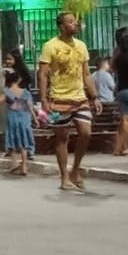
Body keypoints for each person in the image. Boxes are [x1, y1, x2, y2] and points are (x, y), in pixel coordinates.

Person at [38, 12, 102, 191]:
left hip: (80, 98)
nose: (75, 24)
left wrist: (95, 96)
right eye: (71, 22)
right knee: (62, 137)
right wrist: (43, 99)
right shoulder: (50, 46)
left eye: (75, 21)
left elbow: (86, 74)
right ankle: (64, 177)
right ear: (62, 26)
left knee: (86, 133)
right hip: (59, 98)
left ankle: (75, 170)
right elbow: (43, 74)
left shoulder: (81, 46)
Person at [0, 70, 37, 176]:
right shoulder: (26, 92)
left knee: (12, 139)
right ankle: (24, 166)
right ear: (18, 80)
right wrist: (35, 118)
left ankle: (14, 164)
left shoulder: (7, 92)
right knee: (24, 141)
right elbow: (30, 106)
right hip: (25, 117)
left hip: (13, 117)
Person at [3, 48, 36, 158]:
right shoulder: (9, 72)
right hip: (13, 102)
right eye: (7, 59)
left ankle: (29, 149)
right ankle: (11, 148)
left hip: (22, 101)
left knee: (25, 127)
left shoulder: (20, 74)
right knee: (12, 126)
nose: (7, 61)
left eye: (10, 59)